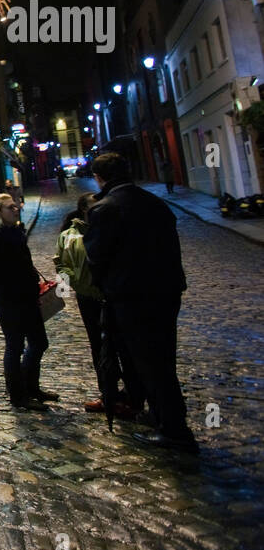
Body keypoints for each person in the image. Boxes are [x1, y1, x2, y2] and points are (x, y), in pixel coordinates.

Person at [84, 152, 196, 452]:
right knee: (162, 358)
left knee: (150, 362)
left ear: (99, 177)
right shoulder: (156, 203)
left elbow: (96, 257)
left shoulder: (105, 209)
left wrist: (105, 287)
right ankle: (165, 417)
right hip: (167, 292)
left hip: (132, 296)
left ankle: (173, 429)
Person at [54, 194, 140, 419]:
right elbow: (61, 264)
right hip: (88, 298)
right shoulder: (69, 235)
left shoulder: (113, 229)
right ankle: (108, 394)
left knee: (125, 345)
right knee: (98, 346)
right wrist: (78, 283)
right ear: (83, 210)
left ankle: (134, 395)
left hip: (116, 295)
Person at [0, 193, 55, 411]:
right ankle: (19, 396)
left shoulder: (14, 231)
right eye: (11, 207)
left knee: (39, 342)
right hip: (9, 299)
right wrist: (15, 280)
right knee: (15, 345)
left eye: (16, 206)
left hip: (27, 295)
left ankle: (31, 388)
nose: (16, 209)